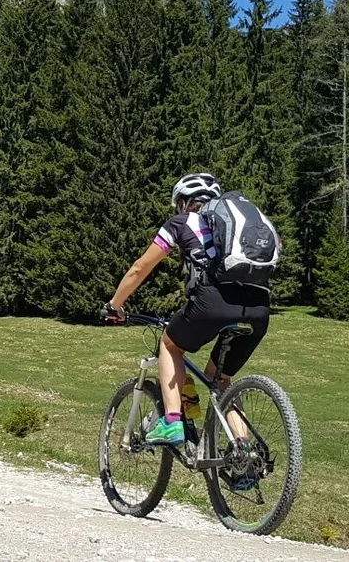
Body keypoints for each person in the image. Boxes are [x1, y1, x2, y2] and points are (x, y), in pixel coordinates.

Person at [103, 173, 272, 447]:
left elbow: (140, 268)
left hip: (213, 304)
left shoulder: (182, 223)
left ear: (183, 202)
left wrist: (116, 305)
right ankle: (243, 451)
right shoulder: (235, 228)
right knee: (221, 378)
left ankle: (171, 424)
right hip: (259, 309)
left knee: (170, 345)